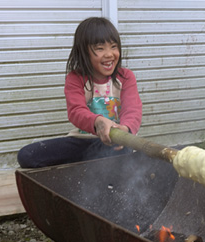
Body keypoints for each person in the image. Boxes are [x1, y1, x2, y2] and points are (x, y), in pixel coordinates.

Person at [17, 17, 142, 168]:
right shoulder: (75, 78)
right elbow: (76, 111)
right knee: (26, 155)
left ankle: (92, 166)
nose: (109, 54)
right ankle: (87, 166)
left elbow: (132, 110)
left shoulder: (126, 77)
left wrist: (125, 129)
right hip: (82, 141)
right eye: (100, 48)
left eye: (113, 46)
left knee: (121, 150)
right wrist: (98, 122)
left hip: (116, 143)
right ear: (84, 53)